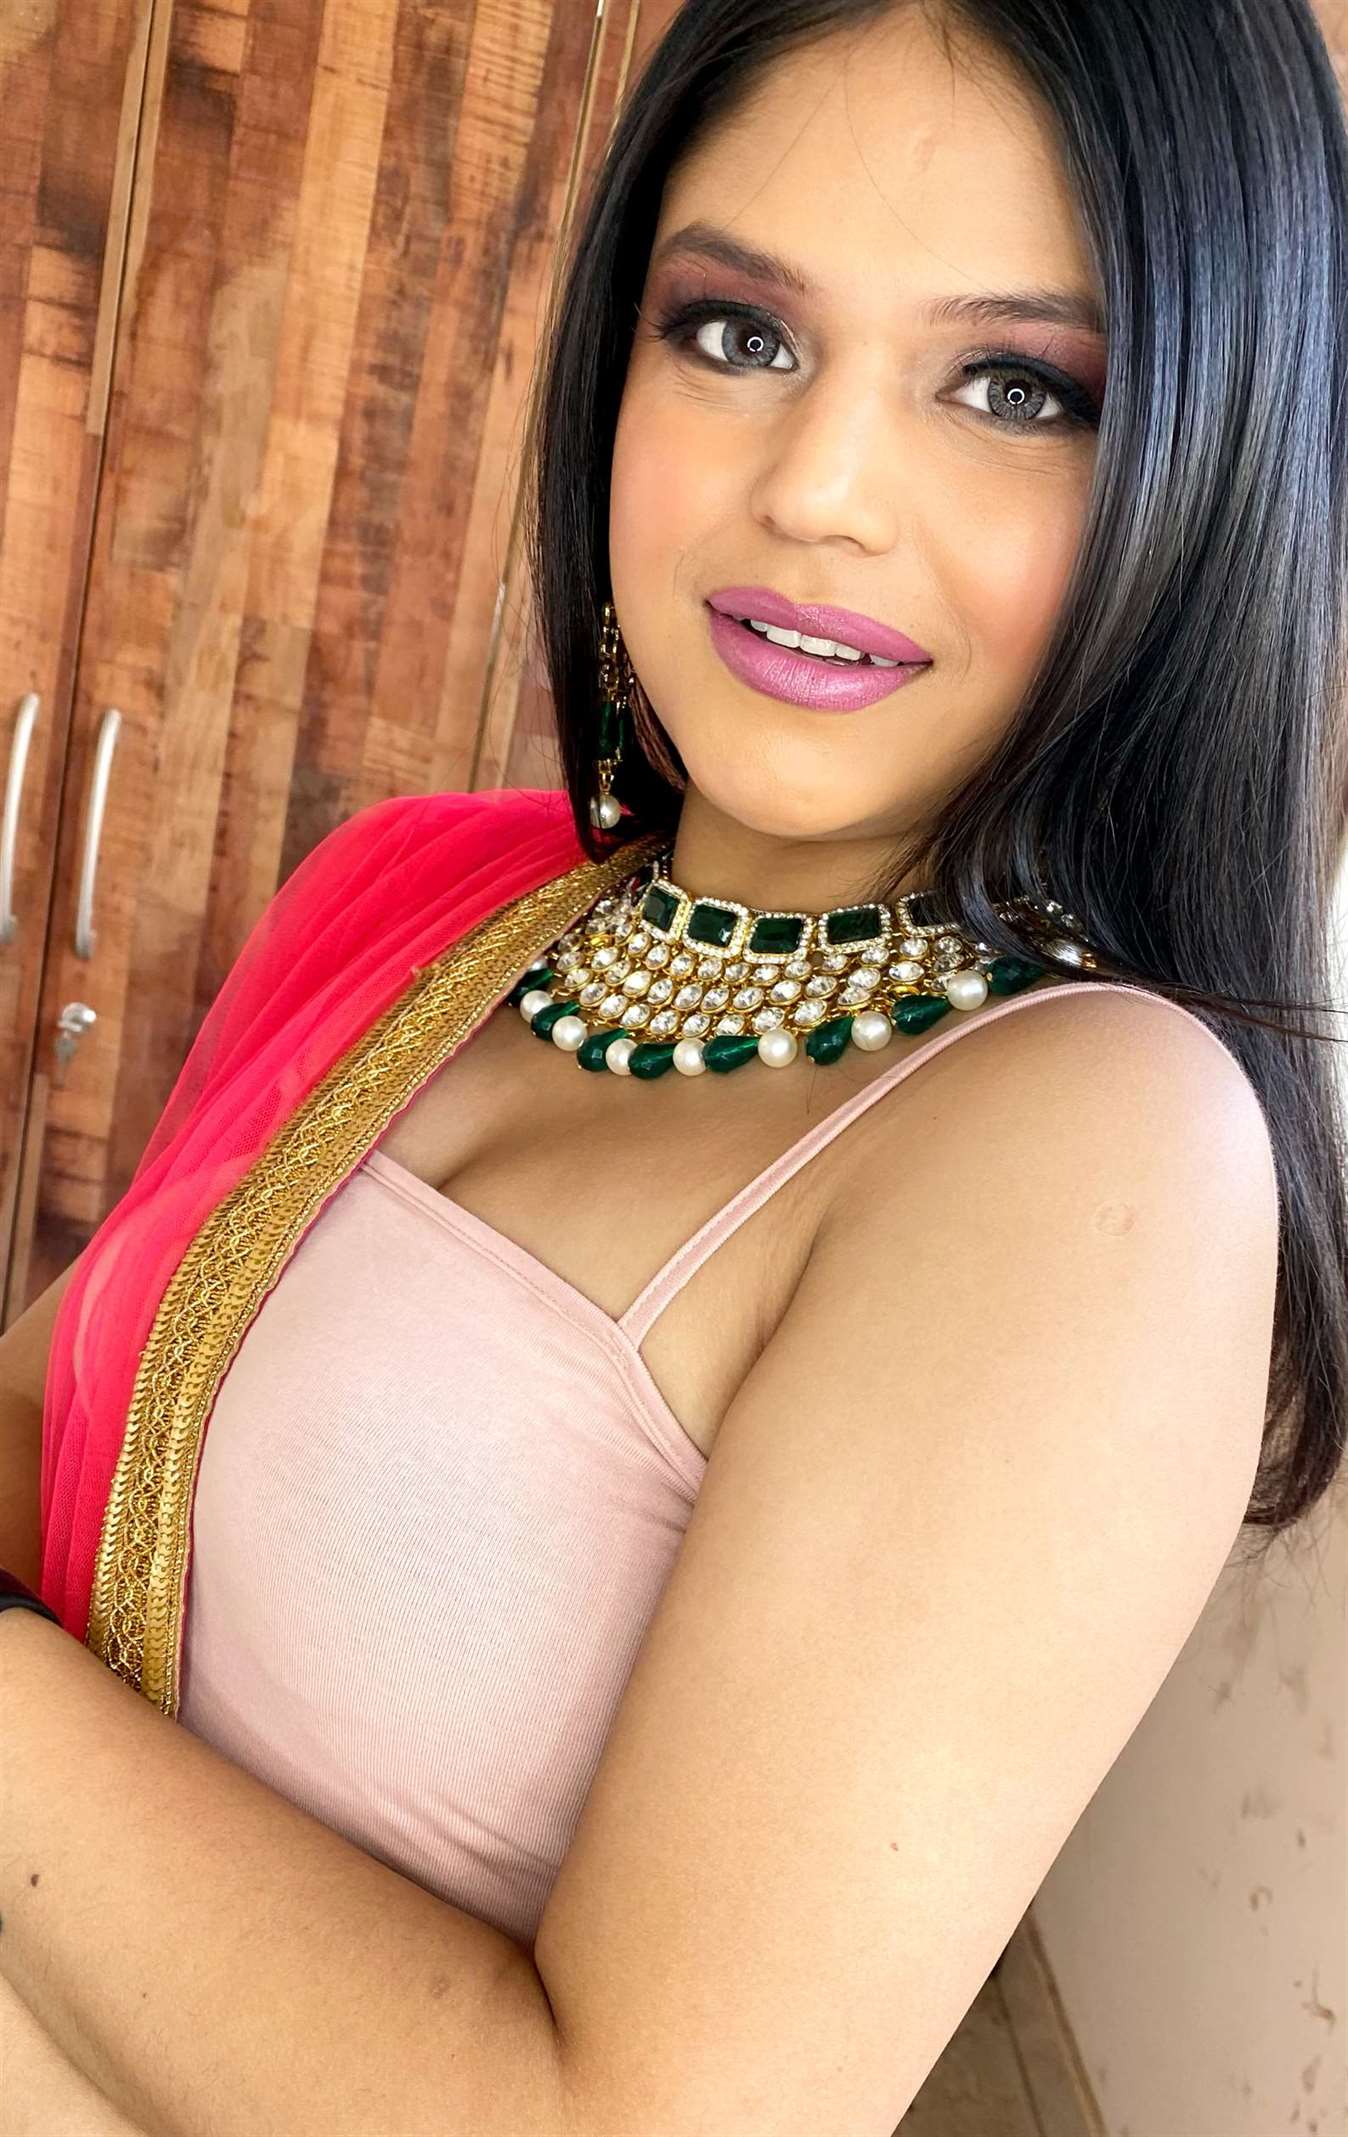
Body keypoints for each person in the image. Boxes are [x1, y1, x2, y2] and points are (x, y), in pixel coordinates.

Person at [4, 2, 1345, 2131]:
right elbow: (45, 1422)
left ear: (1211, 466)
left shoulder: (1091, 1146)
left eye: (1015, 386)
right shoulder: (421, 896)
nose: (816, 491)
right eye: (737, 334)